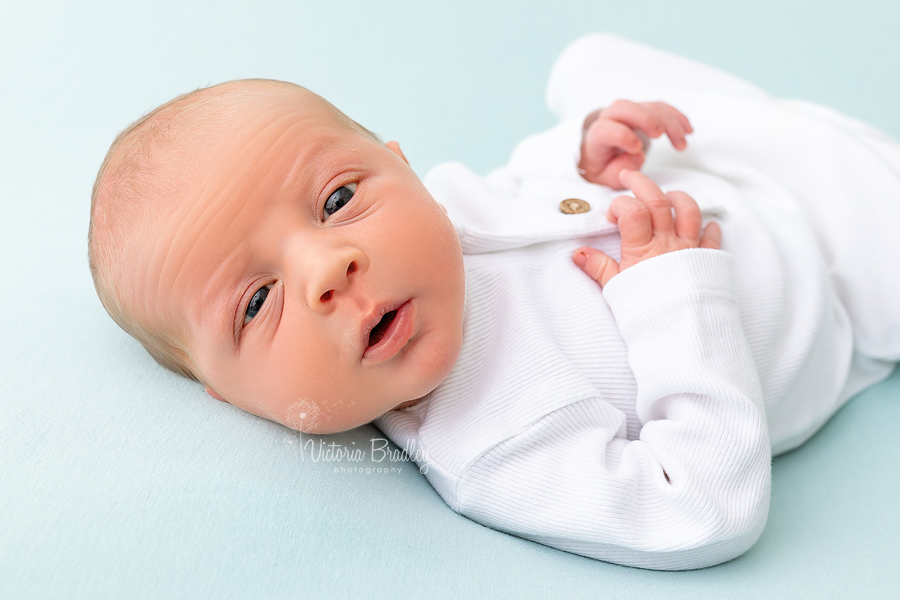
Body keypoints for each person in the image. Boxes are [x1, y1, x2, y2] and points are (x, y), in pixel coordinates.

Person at [87, 33, 900, 569]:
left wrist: (581, 156)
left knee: (592, 70)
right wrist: (671, 294)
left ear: (399, 166)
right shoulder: (493, 442)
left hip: (716, 167)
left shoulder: (443, 207)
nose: (329, 268)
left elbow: (519, 187)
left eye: (336, 201)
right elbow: (704, 507)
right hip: (832, 286)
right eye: (257, 302)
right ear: (231, 397)